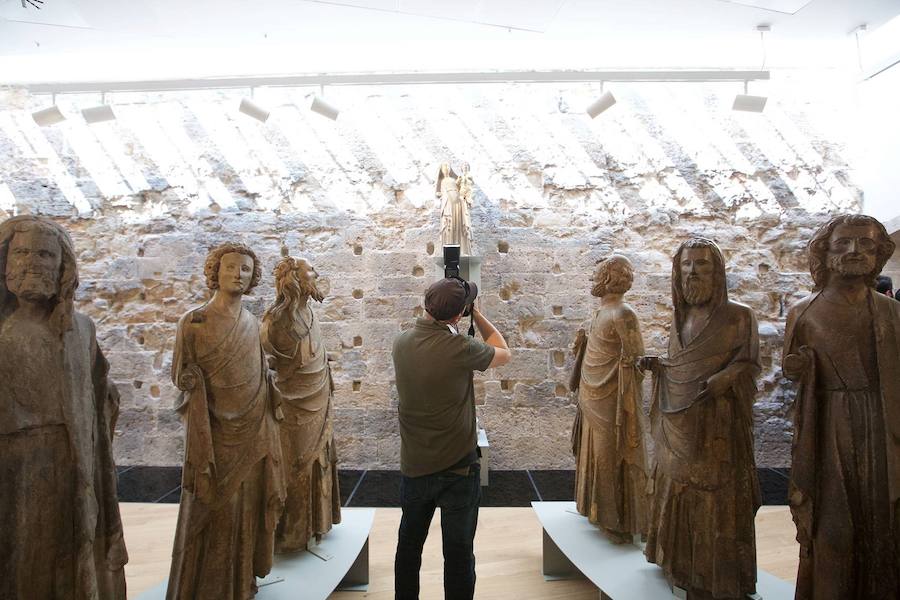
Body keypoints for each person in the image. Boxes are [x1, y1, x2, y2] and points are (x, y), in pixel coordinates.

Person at [0, 215, 128, 599]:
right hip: (11, 472)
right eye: (21, 252)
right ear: (5, 262)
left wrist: (105, 401)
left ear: (62, 267)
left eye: (44, 253)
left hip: (72, 468)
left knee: (67, 560)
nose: (32, 263)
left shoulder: (81, 329)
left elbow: (97, 391)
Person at [783, 214, 900, 599]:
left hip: (882, 426)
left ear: (879, 253)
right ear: (826, 250)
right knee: (832, 528)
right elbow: (792, 367)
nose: (854, 251)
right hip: (829, 425)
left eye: (866, 244)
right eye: (844, 242)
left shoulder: (891, 313)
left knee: (882, 524)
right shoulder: (803, 311)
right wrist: (799, 367)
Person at [640, 238, 761, 600]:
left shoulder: (739, 315)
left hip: (717, 425)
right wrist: (658, 365)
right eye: (686, 265)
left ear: (717, 270)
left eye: (702, 264)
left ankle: (715, 575)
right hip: (680, 423)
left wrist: (727, 377)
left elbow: (750, 363)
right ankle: (677, 562)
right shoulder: (680, 315)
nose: (693, 271)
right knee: (676, 487)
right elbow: (682, 363)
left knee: (714, 497)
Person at [166, 242, 285, 600]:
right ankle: (203, 586)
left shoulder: (251, 322)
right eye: (231, 267)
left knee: (245, 506)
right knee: (213, 507)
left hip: (251, 428)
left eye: (245, 269)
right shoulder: (194, 322)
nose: (238, 274)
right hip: (214, 434)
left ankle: (240, 580)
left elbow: (259, 373)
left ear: (253, 278)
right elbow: (181, 376)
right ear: (215, 272)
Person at [392, 277, 511, 600]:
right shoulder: (460, 348)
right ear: (458, 316)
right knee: (458, 555)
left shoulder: (400, 342)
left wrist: (462, 313)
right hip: (458, 470)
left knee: (408, 547)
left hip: (414, 466)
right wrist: (479, 315)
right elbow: (503, 351)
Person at [261, 256, 341, 553]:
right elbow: (267, 363)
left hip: (317, 396)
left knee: (319, 458)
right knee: (297, 462)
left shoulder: (308, 312)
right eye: (310, 270)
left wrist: (322, 362)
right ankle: (291, 532)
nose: (316, 273)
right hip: (294, 405)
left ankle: (315, 524)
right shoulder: (277, 319)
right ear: (295, 277)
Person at [570, 254, 650, 543]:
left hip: (612, 399)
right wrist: (585, 342)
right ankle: (594, 509)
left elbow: (636, 359)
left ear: (608, 278)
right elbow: (601, 350)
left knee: (610, 455)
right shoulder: (601, 313)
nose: (592, 279)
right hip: (591, 394)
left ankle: (616, 521)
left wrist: (629, 374)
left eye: (596, 274)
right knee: (591, 452)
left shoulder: (623, 313)